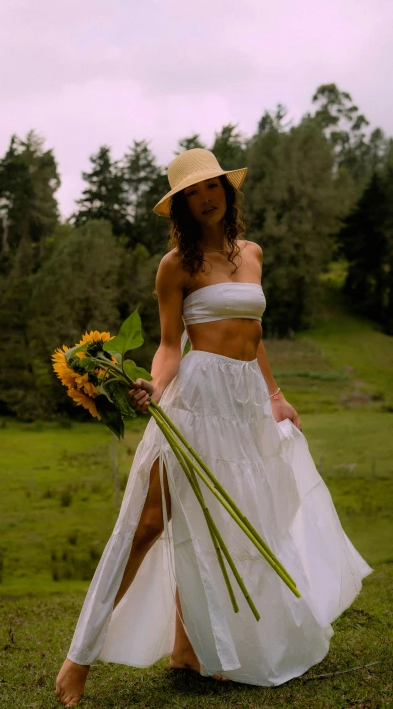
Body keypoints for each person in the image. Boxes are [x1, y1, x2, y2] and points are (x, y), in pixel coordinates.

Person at [55, 148, 371, 707]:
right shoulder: (176, 265)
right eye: (192, 193)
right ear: (180, 205)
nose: (205, 198)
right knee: (148, 523)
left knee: (227, 523)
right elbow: (170, 345)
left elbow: (254, 333)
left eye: (213, 187)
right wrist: (154, 387)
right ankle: (77, 661)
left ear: (228, 190)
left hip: (245, 400)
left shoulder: (252, 253)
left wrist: (277, 396)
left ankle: (190, 651)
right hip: (196, 398)